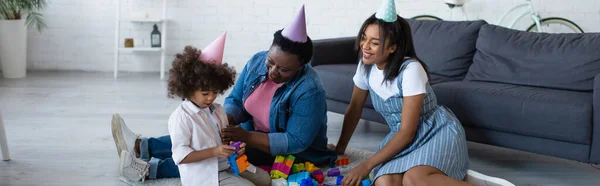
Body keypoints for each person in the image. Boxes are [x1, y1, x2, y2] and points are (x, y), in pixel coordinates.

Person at [111, 4, 337, 181]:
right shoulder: (258, 61)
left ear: (301, 66)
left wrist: (246, 137)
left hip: (289, 152)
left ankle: (150, 170)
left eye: (284, 69)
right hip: (252, 132)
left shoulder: (310, 90)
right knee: (205, 133)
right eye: (271, 63)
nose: (272, 72)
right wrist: (219, 122)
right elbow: (237, 100)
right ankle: (143, 146)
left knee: (225, 155)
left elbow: (295, 141)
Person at [329, 0, 471, 186]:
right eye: (364, 38)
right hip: (400, 136)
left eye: (374, 42)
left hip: (436, 132)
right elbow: (355, 108)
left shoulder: (411, 70)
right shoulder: (365, 66)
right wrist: (340, 148)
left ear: (392, 47)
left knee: (414, 180)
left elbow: (408, 131)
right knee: (384, 181)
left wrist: (366, 165)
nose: (365, 46)